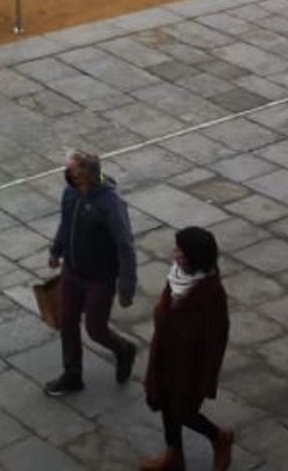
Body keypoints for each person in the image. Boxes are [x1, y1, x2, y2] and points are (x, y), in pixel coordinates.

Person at [46, 150, 139, 396]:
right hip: (72, 271)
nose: (67, 174)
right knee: (67, 322)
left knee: (95, 329)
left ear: (86, 175)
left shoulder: (110, 204)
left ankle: (123, 349)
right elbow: (65, 224)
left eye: (71, 170)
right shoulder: (70, 193)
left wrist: (126, 286)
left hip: (100, 277)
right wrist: (56, 250)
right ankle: (72, 374)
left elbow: (125, 245)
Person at [142, 227, 234, 471]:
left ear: (196, 257)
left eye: (181, 252)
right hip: (165, 353)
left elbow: (216, 340)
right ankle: (174, 455)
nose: (175, 255)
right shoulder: (178, 276)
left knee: (183, 411)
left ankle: (219, 438)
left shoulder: (212, 294)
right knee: (164, 402)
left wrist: (206, 380)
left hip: (189, 366)